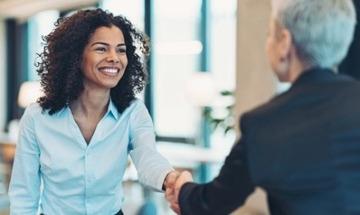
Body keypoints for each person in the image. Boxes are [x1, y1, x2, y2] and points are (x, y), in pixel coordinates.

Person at [166, 0, 360, 214]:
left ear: (284, 43)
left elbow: (211, 203)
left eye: (269, 34)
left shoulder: (264, 124)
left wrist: (183, 188)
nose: (268, 42)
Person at [9, 9, 179, 215]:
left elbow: (147, 159)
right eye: (101, 49)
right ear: (76, 56)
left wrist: (170, 178)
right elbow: (24, 194)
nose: (114, 58)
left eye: (121, 50)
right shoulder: (37, 117)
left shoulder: (133, 111)